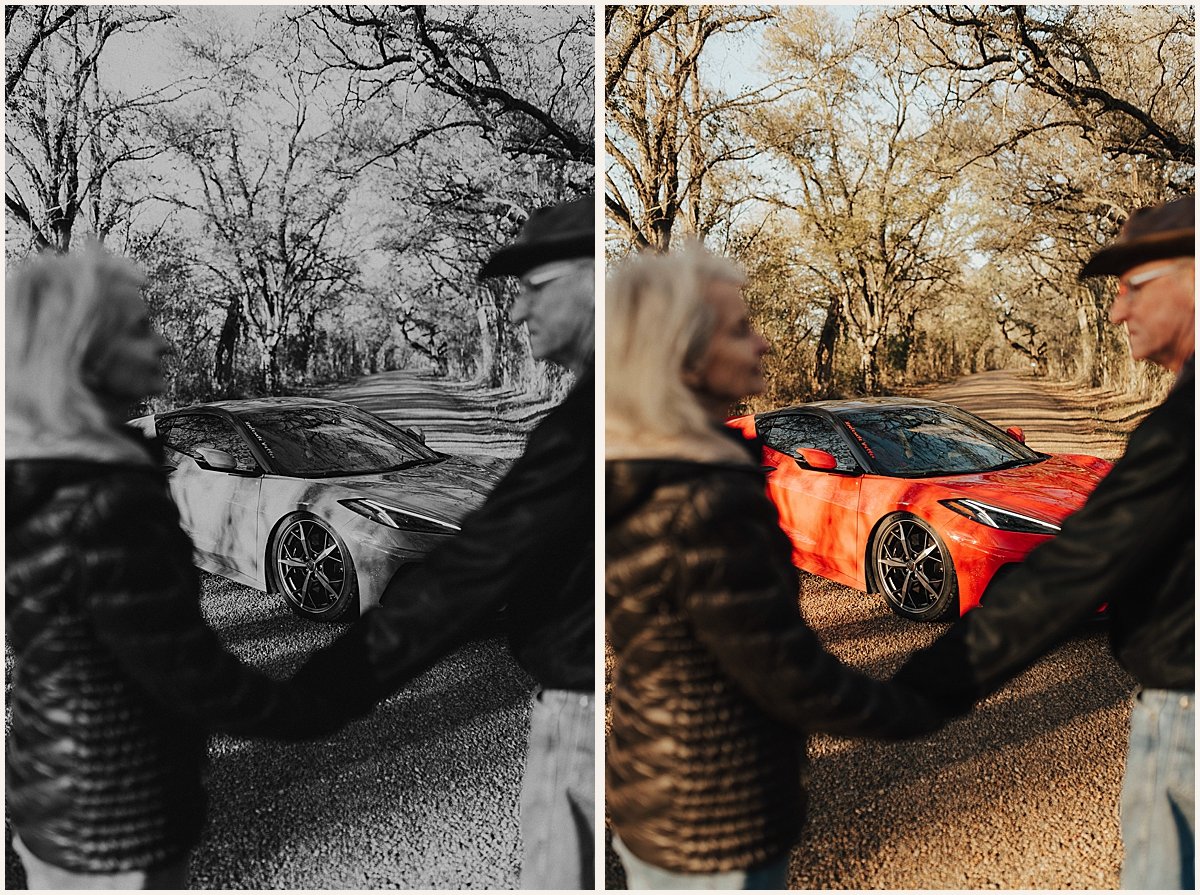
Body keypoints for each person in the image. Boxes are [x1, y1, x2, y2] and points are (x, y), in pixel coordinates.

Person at [5, 247, 345, 890]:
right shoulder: (104, 497)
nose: (164, 345)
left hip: (56, 795)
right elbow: (180, 666)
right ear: (83, 351)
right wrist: (312, 706)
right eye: (139, 328)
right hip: (113, 815)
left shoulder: (43, 474)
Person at [604, 243, 939, 889]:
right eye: (739, 328)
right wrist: (913, 706)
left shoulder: (645, 464)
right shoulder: (700, 495)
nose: (763, 344)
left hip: (660, 798)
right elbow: (783, 670)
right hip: (714, 820)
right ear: (686, 353)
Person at [293, 193, 595, 888]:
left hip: (580, 714)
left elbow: (467, 572)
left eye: (536, 288)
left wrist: (321, 693)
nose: (519, 311)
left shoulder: (582, 425)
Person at [892, 194, 1195, 889]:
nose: (1118, 310)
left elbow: (1070, 571)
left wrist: (920, 691)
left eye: (1135, 285)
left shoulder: (1181, 430)